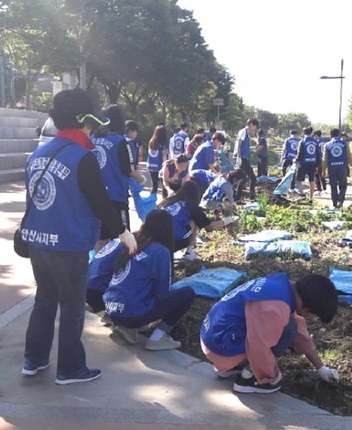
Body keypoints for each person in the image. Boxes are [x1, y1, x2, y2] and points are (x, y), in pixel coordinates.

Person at [21, 88, 137, 385]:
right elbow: (101, 202)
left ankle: (33, 360)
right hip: (69, 245)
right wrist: (124, 233)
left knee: (44, 301)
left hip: (37, 243)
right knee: (72, 306)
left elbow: (32, 201)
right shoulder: (83, 158)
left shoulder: (37, 154)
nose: (92, 129)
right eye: (90, 124)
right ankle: (70, 369)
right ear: (82, 121)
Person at [200, 272, 341, 394]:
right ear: (307, 305)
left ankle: (231, 368)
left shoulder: (282, 287)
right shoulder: (276, 307)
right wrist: (270, 376)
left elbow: (300, 332)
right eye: (312, 314)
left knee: (292, 326)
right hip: (220, 349)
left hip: (213, 337)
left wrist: (321, 367)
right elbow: (259, 347)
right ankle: (249, 380)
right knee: (289, 329)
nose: (309, 317)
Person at [103, 209, 196, 350]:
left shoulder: (133, 244)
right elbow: (163, 292)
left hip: (111, 309)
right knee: (186, 293)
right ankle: (157, 337)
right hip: (131, 312)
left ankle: (127, 327)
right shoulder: (160, 251)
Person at [92, 105, 145, 252]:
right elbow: (128, 169)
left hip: (95, 197)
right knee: (122, 237)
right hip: (116, 196)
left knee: (100, 238)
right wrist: (141, 180)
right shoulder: (120, 141)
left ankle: (98, 268)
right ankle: (119, 270)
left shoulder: (91, 140)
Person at [157, 180, 228, 260]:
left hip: (154, 239)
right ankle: (189, 252)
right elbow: (210, 226)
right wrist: (228, 220)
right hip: (171, 243)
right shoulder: (191, 207)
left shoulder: (167, 201)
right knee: (194, 221)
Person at [323, 128, 352, 208]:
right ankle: (340, 201)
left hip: (332, 167)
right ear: (339, 135)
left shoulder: (327, 145)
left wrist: (323, 170)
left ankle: (335, 202)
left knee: (333, 185)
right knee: (343, 185)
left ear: (330, 135)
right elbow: (349, 155)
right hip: (342, 167)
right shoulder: (345, 143)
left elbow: (324, 159)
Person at [234, 118, 259, 200]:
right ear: (251, 124)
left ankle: (247, 197)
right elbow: (239, 144)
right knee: (246, 177)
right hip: (242, 158)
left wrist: (250, 150)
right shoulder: (243, 132)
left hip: (245, 157)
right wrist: (239, 156)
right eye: (255, 126)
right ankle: (240, 197)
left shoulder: (247, 133)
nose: (255, 128)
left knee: (246, 178)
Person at [294, 126, 319, 200]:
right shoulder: (315, 141)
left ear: (303, 132)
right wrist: (317, 165)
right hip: (313, 163)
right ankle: (311, 198)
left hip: (303, 163)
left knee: (298, 180)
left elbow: (300, 153)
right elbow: (318, 153)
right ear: (311, 132)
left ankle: (302, 195)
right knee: (311, 181)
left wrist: (296, 160)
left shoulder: (302, 141)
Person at [147, 125, 168, 195]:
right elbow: (164, 156)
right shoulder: (163, 143)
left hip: (151, 165)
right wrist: (166, 165)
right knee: (164, 185)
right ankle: (165, 201)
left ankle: (151, 201)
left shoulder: (151, 141)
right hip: (159, 166)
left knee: (154, 185)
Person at [313, 130, 327, 195]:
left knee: (317, 174)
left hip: (318, 160)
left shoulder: (316, 142)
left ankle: (319, 189)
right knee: (322, 174)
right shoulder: (324, 142)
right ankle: (324, 188)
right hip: (324, 160)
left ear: (316, 135)